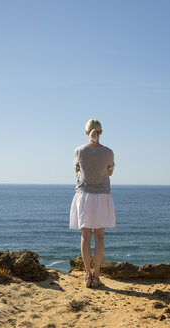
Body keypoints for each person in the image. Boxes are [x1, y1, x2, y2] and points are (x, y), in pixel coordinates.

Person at [69, 119, 116, 288]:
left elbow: (77, 171)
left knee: (85, 236)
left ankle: (87, 276)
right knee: (100, 236)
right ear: (101, 132)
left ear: (86, 132)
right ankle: (96, 276)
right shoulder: (108, 152)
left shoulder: (79, 151)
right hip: (102, 195)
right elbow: (109, 172)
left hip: (84, 196)